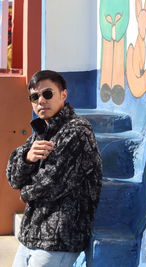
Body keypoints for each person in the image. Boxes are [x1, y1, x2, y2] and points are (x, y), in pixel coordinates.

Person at [6, 70, 102, 267]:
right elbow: (13, 177)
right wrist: (27, 158)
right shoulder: (41, 132)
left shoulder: (78, 131)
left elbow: (50, 184)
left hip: (60, 238)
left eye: (47, 94)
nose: (41, 100)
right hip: (31, 235)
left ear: (63, 95)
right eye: (34, 96)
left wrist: (24, 193)